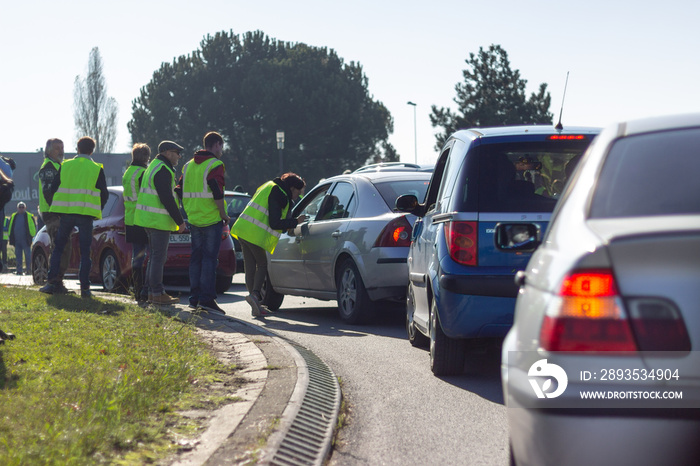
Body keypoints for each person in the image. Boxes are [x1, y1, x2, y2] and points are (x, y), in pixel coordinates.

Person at [231, 172, 308, 317]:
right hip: (254, 233)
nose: (298, 196)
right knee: (262, 264)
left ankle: (255, 303)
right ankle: (254, 296)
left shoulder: (269, 185)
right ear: (292, 188)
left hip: (242, 229)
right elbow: (275, 223)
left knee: (250, 268)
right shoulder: (279, 194)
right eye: (298, 192)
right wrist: (295, 222)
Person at [40, 137, 109, 298]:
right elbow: (104, 194)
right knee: (85, 252)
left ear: (77, 149)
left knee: (58, 248)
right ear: (92, 150)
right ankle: (85, 288)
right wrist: (98, 209)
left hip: (66, 215)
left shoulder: (65, 166)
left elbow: (54, 188)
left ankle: (51, 281)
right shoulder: (96, 168)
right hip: (86, 215)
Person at [178, 131, 230, 313]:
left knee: (196, 259)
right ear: (216, 145)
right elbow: (216, 190)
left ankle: (194, 299)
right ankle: (207, 300)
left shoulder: (188, 165)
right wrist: (223, 213)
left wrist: (186, 208)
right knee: (209, 259)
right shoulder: (216, 164)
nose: (221, 151)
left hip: (194, 218)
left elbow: (179, 189)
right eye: (221, 147)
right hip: (211, 218)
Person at [133, 141, 186, 305]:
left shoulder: (154, 166)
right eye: (177, 153)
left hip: (149, 220)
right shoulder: (163, 169)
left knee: (154, 257)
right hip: (158, 221)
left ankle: (151, 292)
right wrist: (180, 221)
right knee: (158, 258)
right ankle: (157, 292)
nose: (179, 156)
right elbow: (166, 198)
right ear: (168, 152)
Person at [38, 138, 72, 292]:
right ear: (49, 150)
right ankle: (54, 282)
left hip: (58, 212)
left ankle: (56, 282)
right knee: (61, 247)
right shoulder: (49, 167)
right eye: (57, 148)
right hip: (53, 213)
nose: (61, 150)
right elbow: (48, 193)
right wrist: (59, 212)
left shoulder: (58, 165)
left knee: (62, 247)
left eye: (62, 147)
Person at [122, 143, 151, 303]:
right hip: (143, 218)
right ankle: (146, 290)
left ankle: (138, 290)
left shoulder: (128, 173)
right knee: (152, 256)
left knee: (137, 257)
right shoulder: (144, 173)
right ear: (146, 157)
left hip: (130, 219)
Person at [8, 202, 36, 275]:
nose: (21, 208)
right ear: (17, 208)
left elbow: (34, 227)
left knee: (28, 256)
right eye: (19, 207)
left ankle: (29, 270)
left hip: (26, 240)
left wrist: (32, 236)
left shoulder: (29, 216)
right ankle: (19, 271)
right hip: (17, 240)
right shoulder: (14, 216)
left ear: (25, 208)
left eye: (22, 207)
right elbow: (10, 227)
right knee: (18, 256)